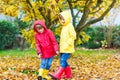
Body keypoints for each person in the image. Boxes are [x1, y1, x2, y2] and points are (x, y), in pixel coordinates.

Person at [50, 11, 76, 80]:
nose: (62, 20)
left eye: (63, 19)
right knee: (63, 61)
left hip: (68, 48)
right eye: (61, 19)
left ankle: (58, 75)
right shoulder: (63, 27)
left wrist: (68, 44)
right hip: (63, 48)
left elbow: (73, 36)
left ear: (67, 18)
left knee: (63, 60)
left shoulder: (70, 26)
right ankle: (68, 75)